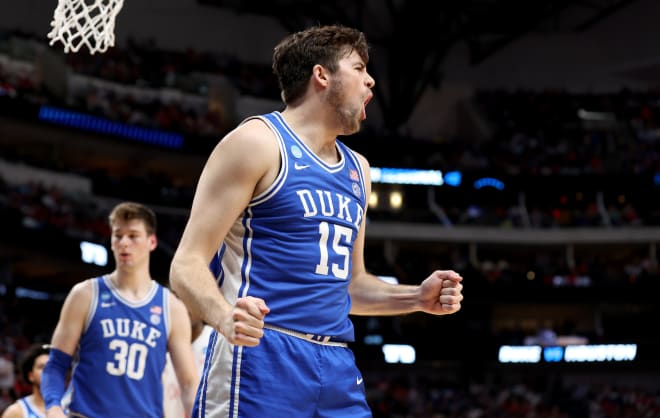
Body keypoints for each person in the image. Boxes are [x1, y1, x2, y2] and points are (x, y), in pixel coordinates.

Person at [169, 24, 464, 418]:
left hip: (336, 363)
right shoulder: (257, 142)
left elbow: (352, 287)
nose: (371, 80)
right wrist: (224, 316)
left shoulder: (359, 169)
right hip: (262, 355)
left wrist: (416, 298)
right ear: (321, 75)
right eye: (359, 67)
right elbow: (186, 264)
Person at [41, 201, 199, 418]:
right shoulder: (85, 294)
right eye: (118, 235)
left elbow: (189, 384)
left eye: (133, 236)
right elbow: (56, 363)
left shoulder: (172, 307)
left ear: (152, 241)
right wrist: (53, 407)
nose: (124, 243)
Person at [1, 343, 50, 418]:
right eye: (41, 367)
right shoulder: (15, 412)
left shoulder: (70, 407)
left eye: (51, 367)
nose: (47, 371)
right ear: (31, 376)